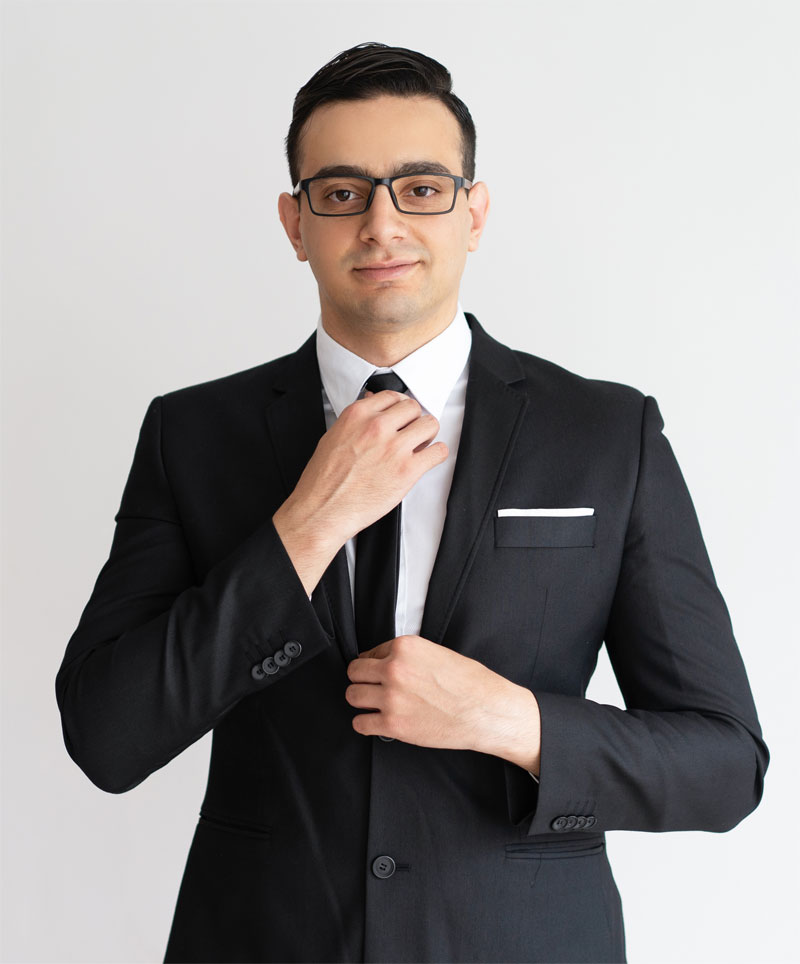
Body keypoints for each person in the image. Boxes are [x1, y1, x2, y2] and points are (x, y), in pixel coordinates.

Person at [55, 42, 769, 964]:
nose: (381, 224)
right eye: (342, 192)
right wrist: (307, 525)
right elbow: (108, 737)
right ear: (296, 222)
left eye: (421, 189)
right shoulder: (192, 434)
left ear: (474, 213)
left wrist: (511, 722)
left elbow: (724, 765)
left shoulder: (605, 434)